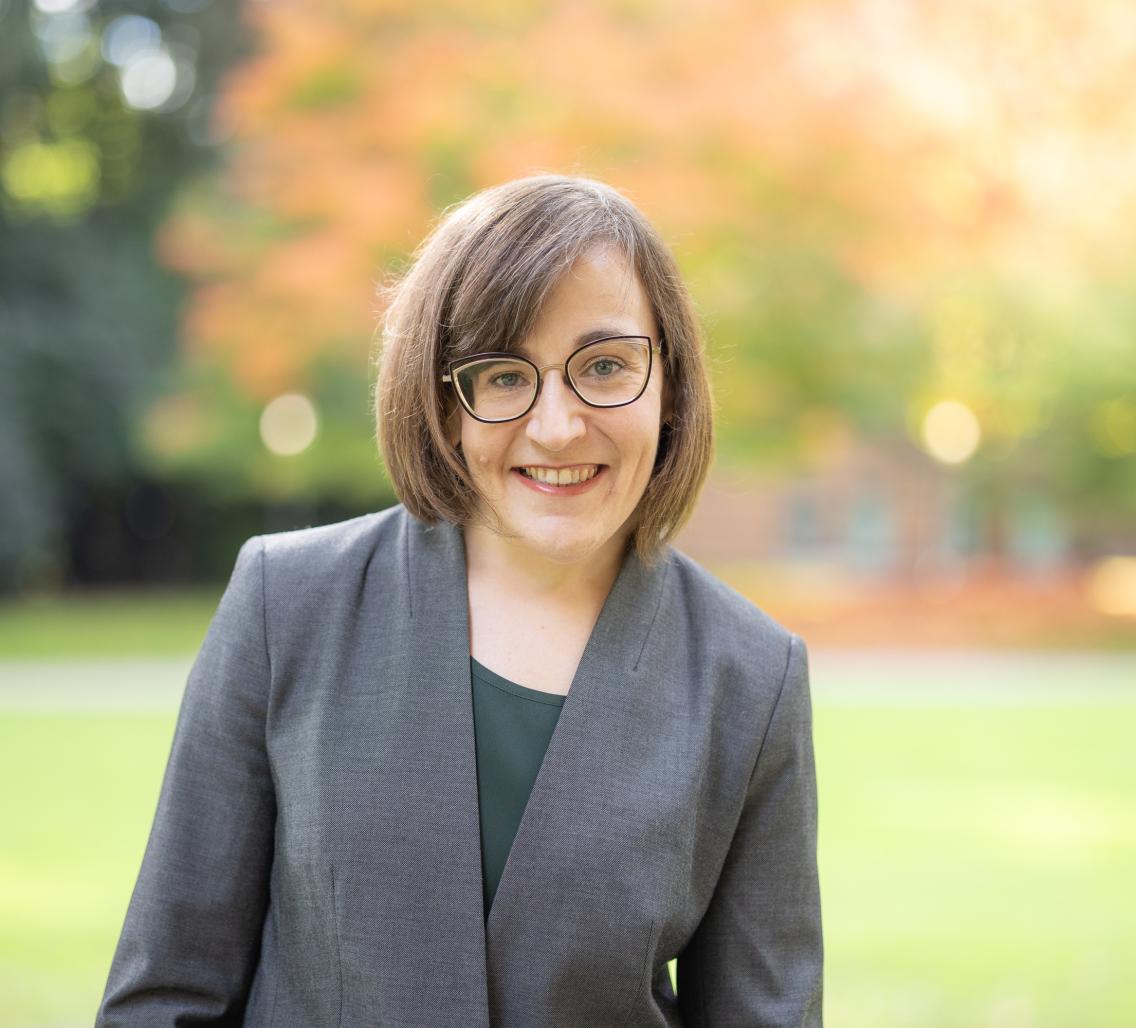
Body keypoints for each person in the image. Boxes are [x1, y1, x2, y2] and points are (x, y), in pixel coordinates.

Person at [97, 174, 823, 1026]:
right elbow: (166, 995)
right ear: (445, 405)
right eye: (502, 375)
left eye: (605, 366)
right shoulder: (284, 606)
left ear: (671, 389)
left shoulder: (751, 676)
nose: (557, 426)